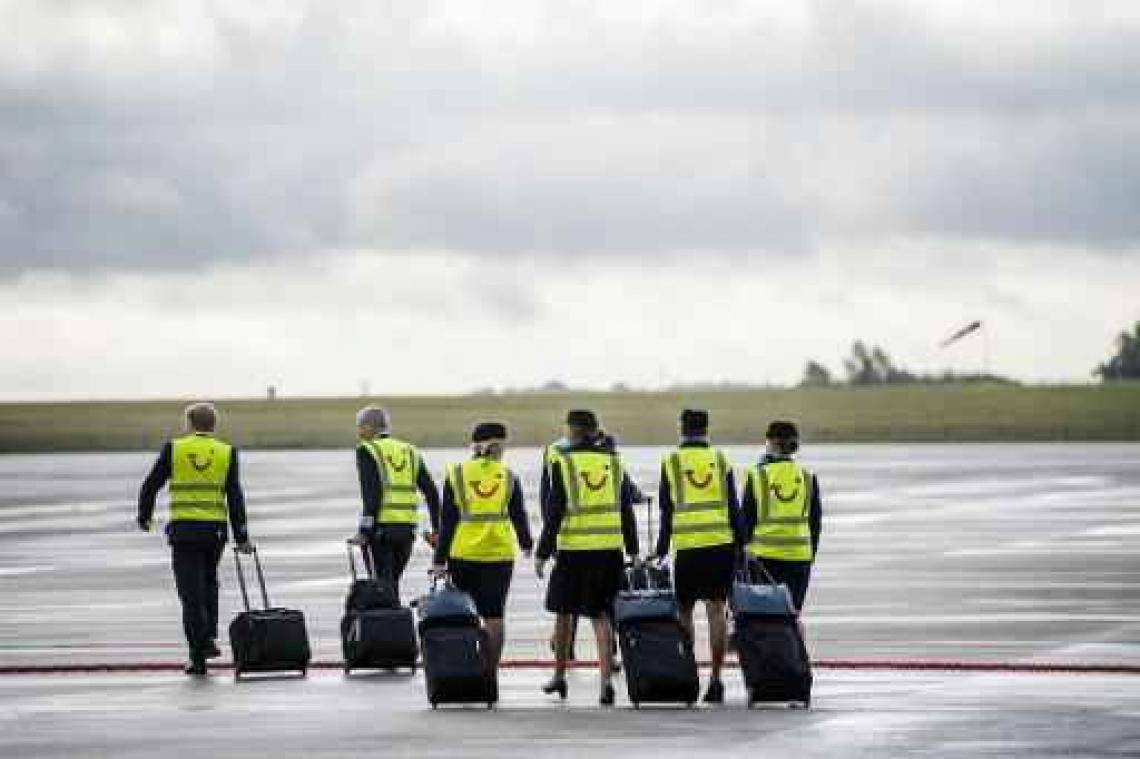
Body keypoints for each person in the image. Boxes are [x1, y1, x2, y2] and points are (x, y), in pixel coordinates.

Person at [137, 402, 254, 676]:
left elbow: (151, 484)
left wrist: (145, 516)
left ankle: (198, 655)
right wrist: (242, 536)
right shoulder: (226, 452)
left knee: (190, 596)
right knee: (209, 584)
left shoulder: (175, 448)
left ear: (189, 423)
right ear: (213, 425)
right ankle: (209, 637)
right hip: (215, 532)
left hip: (185, 533)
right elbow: (235, 495)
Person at [535, 409, 640, 706]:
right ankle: (606, 681)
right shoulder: (614, 463)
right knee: (602, 616)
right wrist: (632, 549)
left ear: (571, 431)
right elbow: (626, 512)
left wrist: (543, 553)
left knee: (563, 613)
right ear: (595, 431)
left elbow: (554, 512)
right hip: (609, 550)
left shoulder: (564, 463)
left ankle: (559, 677)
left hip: (573, 550)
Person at [652, 409, 743, 704]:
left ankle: (688, 673)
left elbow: (667, 510)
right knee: (716, 611)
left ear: (681, 428)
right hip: (720, 545)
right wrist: (741, 545)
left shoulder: (672, 461)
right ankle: (716, 679)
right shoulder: (720, 459)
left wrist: (662, 549)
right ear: (706, 429)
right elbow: (733, 506)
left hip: (688, 548)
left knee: (684, 611)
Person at [430, 422, 533, 668]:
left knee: (464, 615)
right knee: (495, 616)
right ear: (496, 446)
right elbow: (519, 514)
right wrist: (527, 544)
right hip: (498, 556)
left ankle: (466, 668)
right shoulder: (508, 476)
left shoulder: (456, 475)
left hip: (462, 555)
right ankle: (490, 673)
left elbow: (448, 522)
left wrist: (439, 560)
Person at [350, 406, 440, 602]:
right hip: (406, 532)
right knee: (391, 585)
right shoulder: (410, 451)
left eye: (359, 427)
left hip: (380, 532)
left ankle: (388, 630)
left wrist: (364, 530)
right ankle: (396, 627)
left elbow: (372, 496)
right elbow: (432, 493)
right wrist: (437, 529)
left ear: (369, 426)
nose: (358, 432)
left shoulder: (367, 450)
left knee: (382, 587)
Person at [741, 420, 823, 621]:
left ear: (769, 443)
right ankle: (796, 652)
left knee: (764, 619)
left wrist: (740, 556)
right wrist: (809, 555)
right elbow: (815, 523)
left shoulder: (757, 475)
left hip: (764, 559)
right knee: (793, 617)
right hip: (800, 559)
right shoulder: (807, 477)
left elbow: (746, 522)